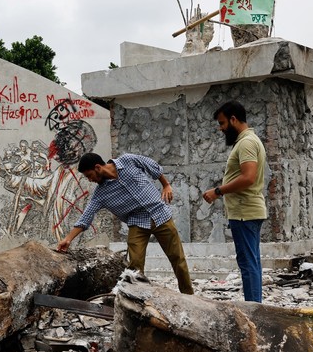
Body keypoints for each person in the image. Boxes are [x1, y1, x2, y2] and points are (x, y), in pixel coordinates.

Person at [57, 152, 194, 294]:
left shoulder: (128, 161)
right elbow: (86, 217)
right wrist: (68, 239)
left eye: (89, 175)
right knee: (134, 268)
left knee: (178, 258)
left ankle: (189, 296)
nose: (90, 180)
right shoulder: (100, 194)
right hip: (137, 223)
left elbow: (153, 167)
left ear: (97, 167)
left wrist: (166, 185)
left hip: (160, 214)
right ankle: (138, 300)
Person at [203, 101, 267, 302]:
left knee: (248, 263)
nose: (221, 129)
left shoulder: (247, 143)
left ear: (233, 119)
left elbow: (248, 177)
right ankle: (256, 306)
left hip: (244, 212)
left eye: (222, 123)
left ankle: (254, 309)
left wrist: (218, 191)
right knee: (251, 262)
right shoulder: (248, 140)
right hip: (247, 211)